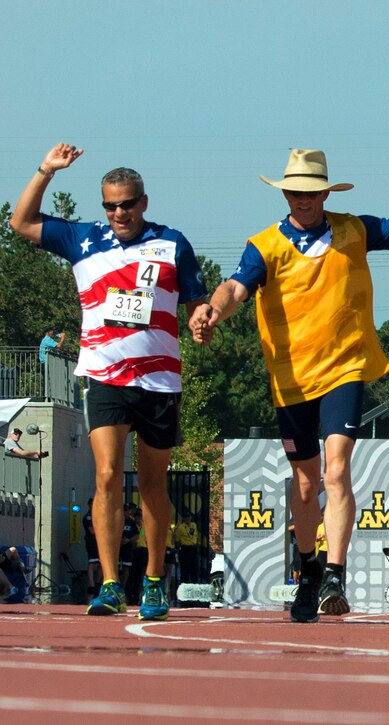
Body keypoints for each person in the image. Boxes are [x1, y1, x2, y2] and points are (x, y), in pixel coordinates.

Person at [189, 147, 389, 623]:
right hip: (291, 379)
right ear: (285, 193)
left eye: (312, 192)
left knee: (336, 471)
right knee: (305, 479)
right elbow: (234, 289)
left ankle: (335, 572)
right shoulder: (265, 246)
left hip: (345, 368)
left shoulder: (354, 230)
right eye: (295, 191)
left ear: (325, 193)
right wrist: (212, 310)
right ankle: (309, 567)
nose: (303, 199)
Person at [10, 142, 208, 621]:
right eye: (111, 205)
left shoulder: (171, 242)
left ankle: (156, 582)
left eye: (127, 204)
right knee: (105, 477)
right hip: (105, 376)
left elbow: (197, 300)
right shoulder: (82, 238)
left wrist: (203, 317)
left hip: (159, 380)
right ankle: (112, 585)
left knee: (154, 486)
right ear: (104, 207)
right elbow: (20, 222)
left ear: (143, 202)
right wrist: (46, 171)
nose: (119, 212)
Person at [82, 497, 101, 602]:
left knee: (101, 563)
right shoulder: (88, 517)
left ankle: (98, 584)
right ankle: (91, 586)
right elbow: (92, 531)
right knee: (92, 563)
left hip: (100, 542)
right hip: (92, 542)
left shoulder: (99, 515)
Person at [176, 510, 200, 584]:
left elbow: (196, 536)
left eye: (189, 517)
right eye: (186, 517)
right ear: (183, 519)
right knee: (185, 569)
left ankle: (194, 584)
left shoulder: (194, 525)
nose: (188, 519)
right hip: (185, 549)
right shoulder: (181, 527)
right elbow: (178, 539)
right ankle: (185, 585)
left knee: (194, 569)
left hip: (193, 548)